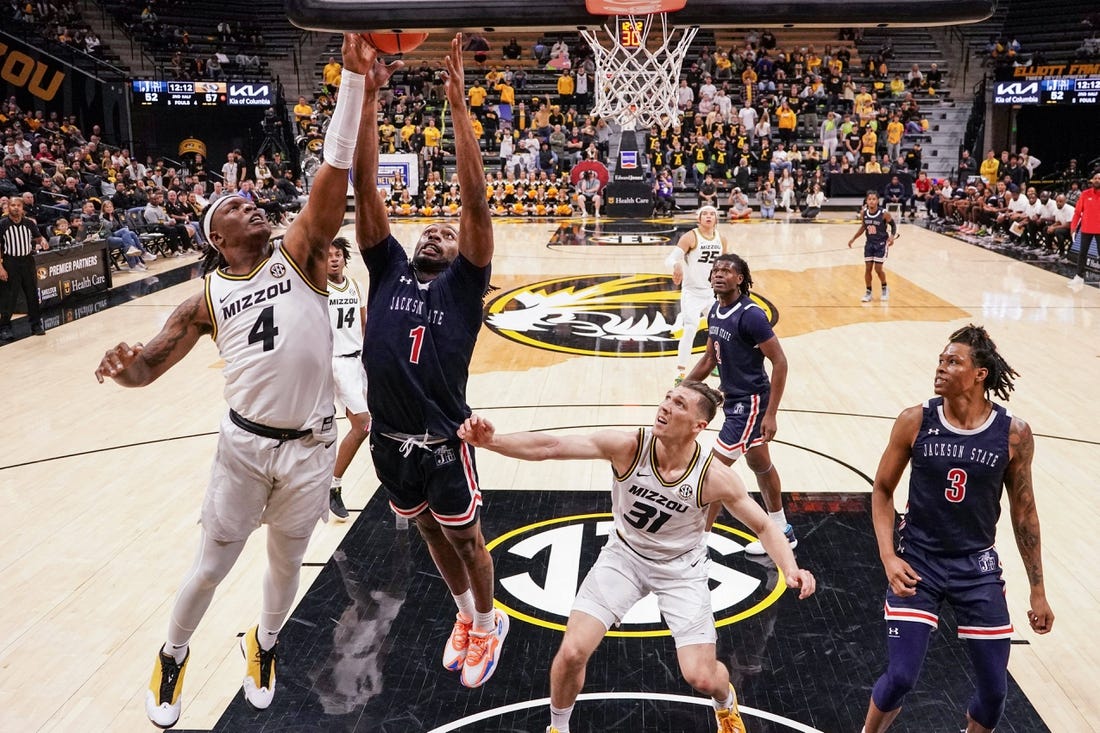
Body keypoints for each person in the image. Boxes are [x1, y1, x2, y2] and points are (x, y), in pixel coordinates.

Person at [94, 33, 374, 729]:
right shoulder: (203, 299)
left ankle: (265, 642)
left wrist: (353, 81)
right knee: (210, 567)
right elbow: (149, 367)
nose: (251, 203)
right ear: (216, 237)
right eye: (235, 205)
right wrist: (124, 366)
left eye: (253, 198)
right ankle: (172, 651)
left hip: (311, 446)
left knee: (286, 567)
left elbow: (333, 172)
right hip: (244, 447)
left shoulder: (302, 255)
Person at [457, 382, 816, 733]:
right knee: (571, 654)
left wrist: (790, 568)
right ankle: (558, 727)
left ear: (698, 426)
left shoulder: (713, 477)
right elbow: (552, 446)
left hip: (681, 571)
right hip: (623, 558)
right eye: (667, 398)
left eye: (679, 405)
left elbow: (765, 527)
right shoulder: (629, 446)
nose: (665, 406)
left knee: (702, 677)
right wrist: (492, 441)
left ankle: (725, 702)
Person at [351, 34, 507, 690]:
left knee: (468, 539)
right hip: (388, 440)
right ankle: (464, 613)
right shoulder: (386, 267)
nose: (437, 230)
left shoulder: (463, 285)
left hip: (444, 439)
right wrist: (365, 101)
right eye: (430, 228)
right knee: (428, 536)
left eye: (446, 231)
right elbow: (365, 189)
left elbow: (474, 202)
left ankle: (491, 619)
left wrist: (459, 111)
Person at [862, 324, 1054, 733]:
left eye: (954, 362)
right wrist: (888, 557)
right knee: (900, 678)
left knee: (994, 692)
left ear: (980, 373)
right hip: (918, 562)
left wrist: (1038, 591)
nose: (941, 368)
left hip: (977, 568)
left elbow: (1024, 514)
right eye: (940, 360)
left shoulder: (1014, 434)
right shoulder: (915, 420)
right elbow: (881, 490)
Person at [684, 254, 798, 556]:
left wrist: (771, 414)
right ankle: (782, 530)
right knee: (760, 464)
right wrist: (681, 390)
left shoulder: (751, 315)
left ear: (740, 278)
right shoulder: (715, 312)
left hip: (749, 405)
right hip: (733, 400)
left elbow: (780, 361)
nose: (719, 274)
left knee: (713, 472)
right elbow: (710, 358)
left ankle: (698, 544)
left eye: (727, 271)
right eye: (716, 270)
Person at [327, 236, 371, 521]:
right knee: (363, 424)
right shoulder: (317, 289)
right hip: (336, 363)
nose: (333, 258)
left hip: (359, 361)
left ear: (345, 258)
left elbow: (365, 324)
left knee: (374, 423)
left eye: (338, 254)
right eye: (328, 255)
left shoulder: (354, 285)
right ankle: (334, 486)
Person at [667, 205, 727, 383]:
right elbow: (669, 258)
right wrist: (676, 265)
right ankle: (681, 373)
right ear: (698, 218)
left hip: (712, 292)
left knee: (719, 329)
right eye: (705, 214)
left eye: (712, 214)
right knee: (690, 329)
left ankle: (717, 363)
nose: (708, 216)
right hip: (692, 292)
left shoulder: (721, 239)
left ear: (716, 219)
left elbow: (723, 264)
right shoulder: (690, 237)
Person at [0, 197, 48, 339]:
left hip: (27, 261)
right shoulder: (2, 224)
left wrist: (43, 241)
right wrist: (1, 268)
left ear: (22, 208)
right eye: (13, 205)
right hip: (10, 262)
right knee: (9, 297)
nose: (15, 208)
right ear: (8, 207)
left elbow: (39, 238)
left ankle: (36, 324)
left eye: (18, 205)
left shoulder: (29, 223)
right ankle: (4, 327)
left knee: (32, 294)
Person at [847, 191, 896, 302]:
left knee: (878, 269)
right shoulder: (864, 213)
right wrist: (853, 238)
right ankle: (868, 292)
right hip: (869, 244)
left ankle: (884, 288)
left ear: (878, 201)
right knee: (868, 269)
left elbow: (893, 225)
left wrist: (892, 237)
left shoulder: (884, 213)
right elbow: (863, 227)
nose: (871, 201)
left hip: (881, 244)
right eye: (869, 199)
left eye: (874, 199)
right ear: (866, 201)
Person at [1068, 171, 1100, 287]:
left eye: (1099, 178)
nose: (1097, 180)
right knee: (1082, 254)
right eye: (1095, 178)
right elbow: (1077, 213)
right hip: (1086, 228)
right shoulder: (1085, 194)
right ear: (1091, 180)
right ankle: (1079, 277)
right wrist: (1073, 228)